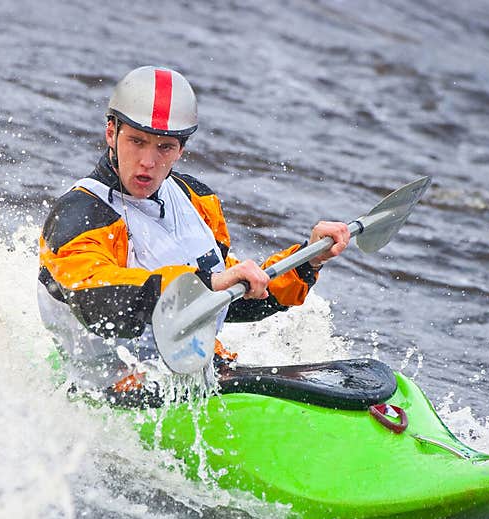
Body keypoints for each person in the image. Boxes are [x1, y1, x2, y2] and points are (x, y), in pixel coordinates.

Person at [38, 66, 350, 402]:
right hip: (113, 388)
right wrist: (203, 286)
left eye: (164, 147)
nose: (148, 161)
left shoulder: (196, 199)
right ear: (111, 133)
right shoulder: (78, 216)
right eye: (137, 141)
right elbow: (100, 303)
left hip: (197, 373)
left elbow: (233, 298)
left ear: (181, 148)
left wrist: (307, 261)